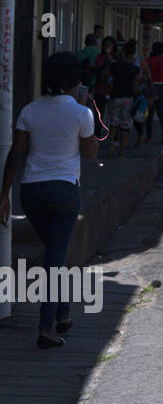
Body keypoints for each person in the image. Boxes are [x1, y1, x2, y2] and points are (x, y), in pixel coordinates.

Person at [0, 52, 98, 348]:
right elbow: (91, 154)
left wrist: (3, 194)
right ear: (75, 80)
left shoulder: (29, 110)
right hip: (64, 191)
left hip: (31, 191)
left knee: (56, 253)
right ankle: (46, 327)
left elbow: (16, 153)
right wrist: (86, 111)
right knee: (55, 259)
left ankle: (63, 312)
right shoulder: (81, 113)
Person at [106, 41, 141, 159]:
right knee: (125, 125)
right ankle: (121, 153)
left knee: (114, 123)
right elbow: (135, 85)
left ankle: (111, 145)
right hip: (128, 98)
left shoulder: (114, 65)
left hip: (115, 96)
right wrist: (136, 94)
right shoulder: (135, 69)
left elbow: (105, 76)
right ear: (133, 54)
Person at [146, 41, 163, 144]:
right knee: (161, 112)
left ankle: (149, 136)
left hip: (152, 87)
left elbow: (145, 72)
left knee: (150, 114)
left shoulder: (149, 60)